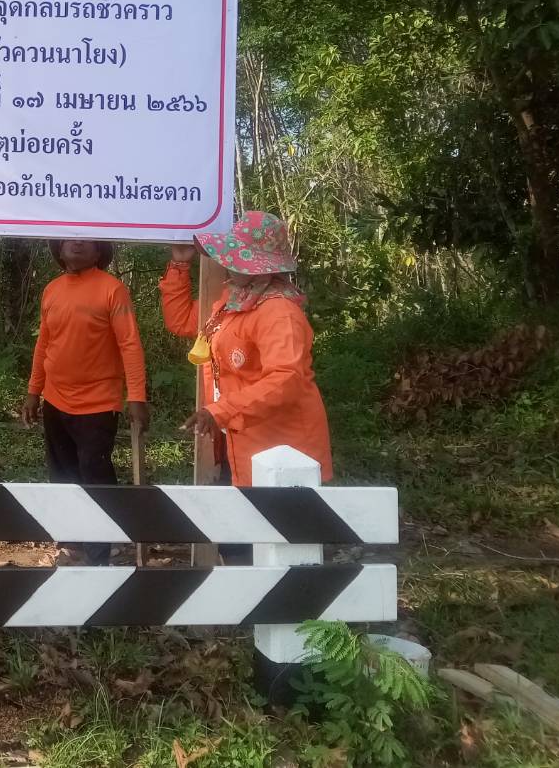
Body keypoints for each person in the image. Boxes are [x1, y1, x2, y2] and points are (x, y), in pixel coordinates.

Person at [160, 211, 333, 490]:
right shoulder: (235, 300)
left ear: (261, 267)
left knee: (279, 518)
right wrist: (180, 265)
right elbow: (181, 321)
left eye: (237, 257)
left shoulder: (279, 312)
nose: (227, 263)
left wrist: (220, 411)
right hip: (244, 439)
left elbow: (286, 379)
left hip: (285, 453)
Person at [20, 239, 149, 566]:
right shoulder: (52, 290)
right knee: (62, 474)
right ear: (58, 249)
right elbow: (43, 344)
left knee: (95, 473)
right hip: (55, 399)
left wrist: (136, 396)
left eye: (86, 239)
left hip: (98, 402)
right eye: (70, 238)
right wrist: (34, 390)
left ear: (99, 251)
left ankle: (101, 552)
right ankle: (72, 544)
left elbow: (129, 344)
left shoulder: (112, 289)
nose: (77, 242)